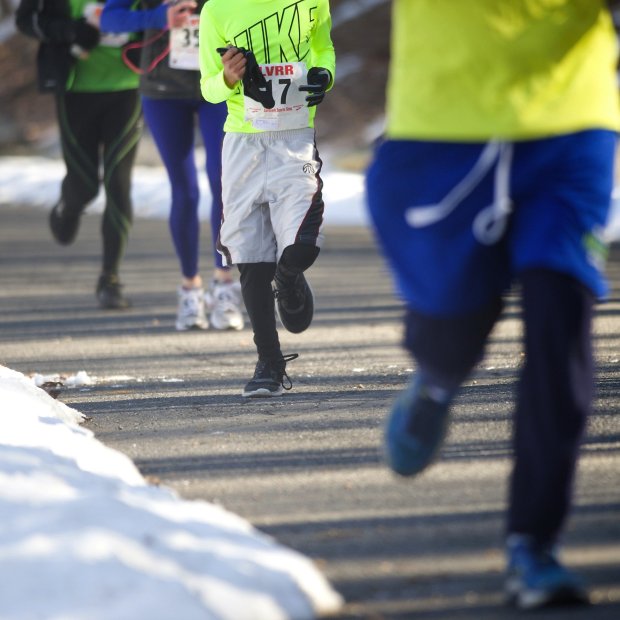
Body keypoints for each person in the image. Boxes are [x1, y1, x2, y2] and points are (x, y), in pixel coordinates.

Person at [366, 0, 619, 611]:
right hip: (443, 129)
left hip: (569, 123)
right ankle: (437, 380)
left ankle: (533, 542)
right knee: (455, 330)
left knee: (562, 326)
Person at [198, 0, 335, 396]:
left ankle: (288, 278)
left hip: (294, 138)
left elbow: (323, 48)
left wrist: (325, 75)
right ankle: (269, 364)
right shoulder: (217, 11)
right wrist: (225, 78)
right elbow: (208, 87)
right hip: (243, 142)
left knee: (303, 244)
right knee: (250, 258)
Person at [100, 0, 244, 331]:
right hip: (164, 92)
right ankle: (190, 289)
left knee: (223, 183)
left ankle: (224, 285)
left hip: (223, 87)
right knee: (185, 190)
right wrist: (159, 16)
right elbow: (110, 19)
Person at [16, 0, 142, 310]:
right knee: (85, 186)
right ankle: (67, 207)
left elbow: (160, 17)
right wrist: (71, 31)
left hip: (127, 87)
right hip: (74, 88)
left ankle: (109, 278)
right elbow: (26, 20)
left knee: (119, 183)